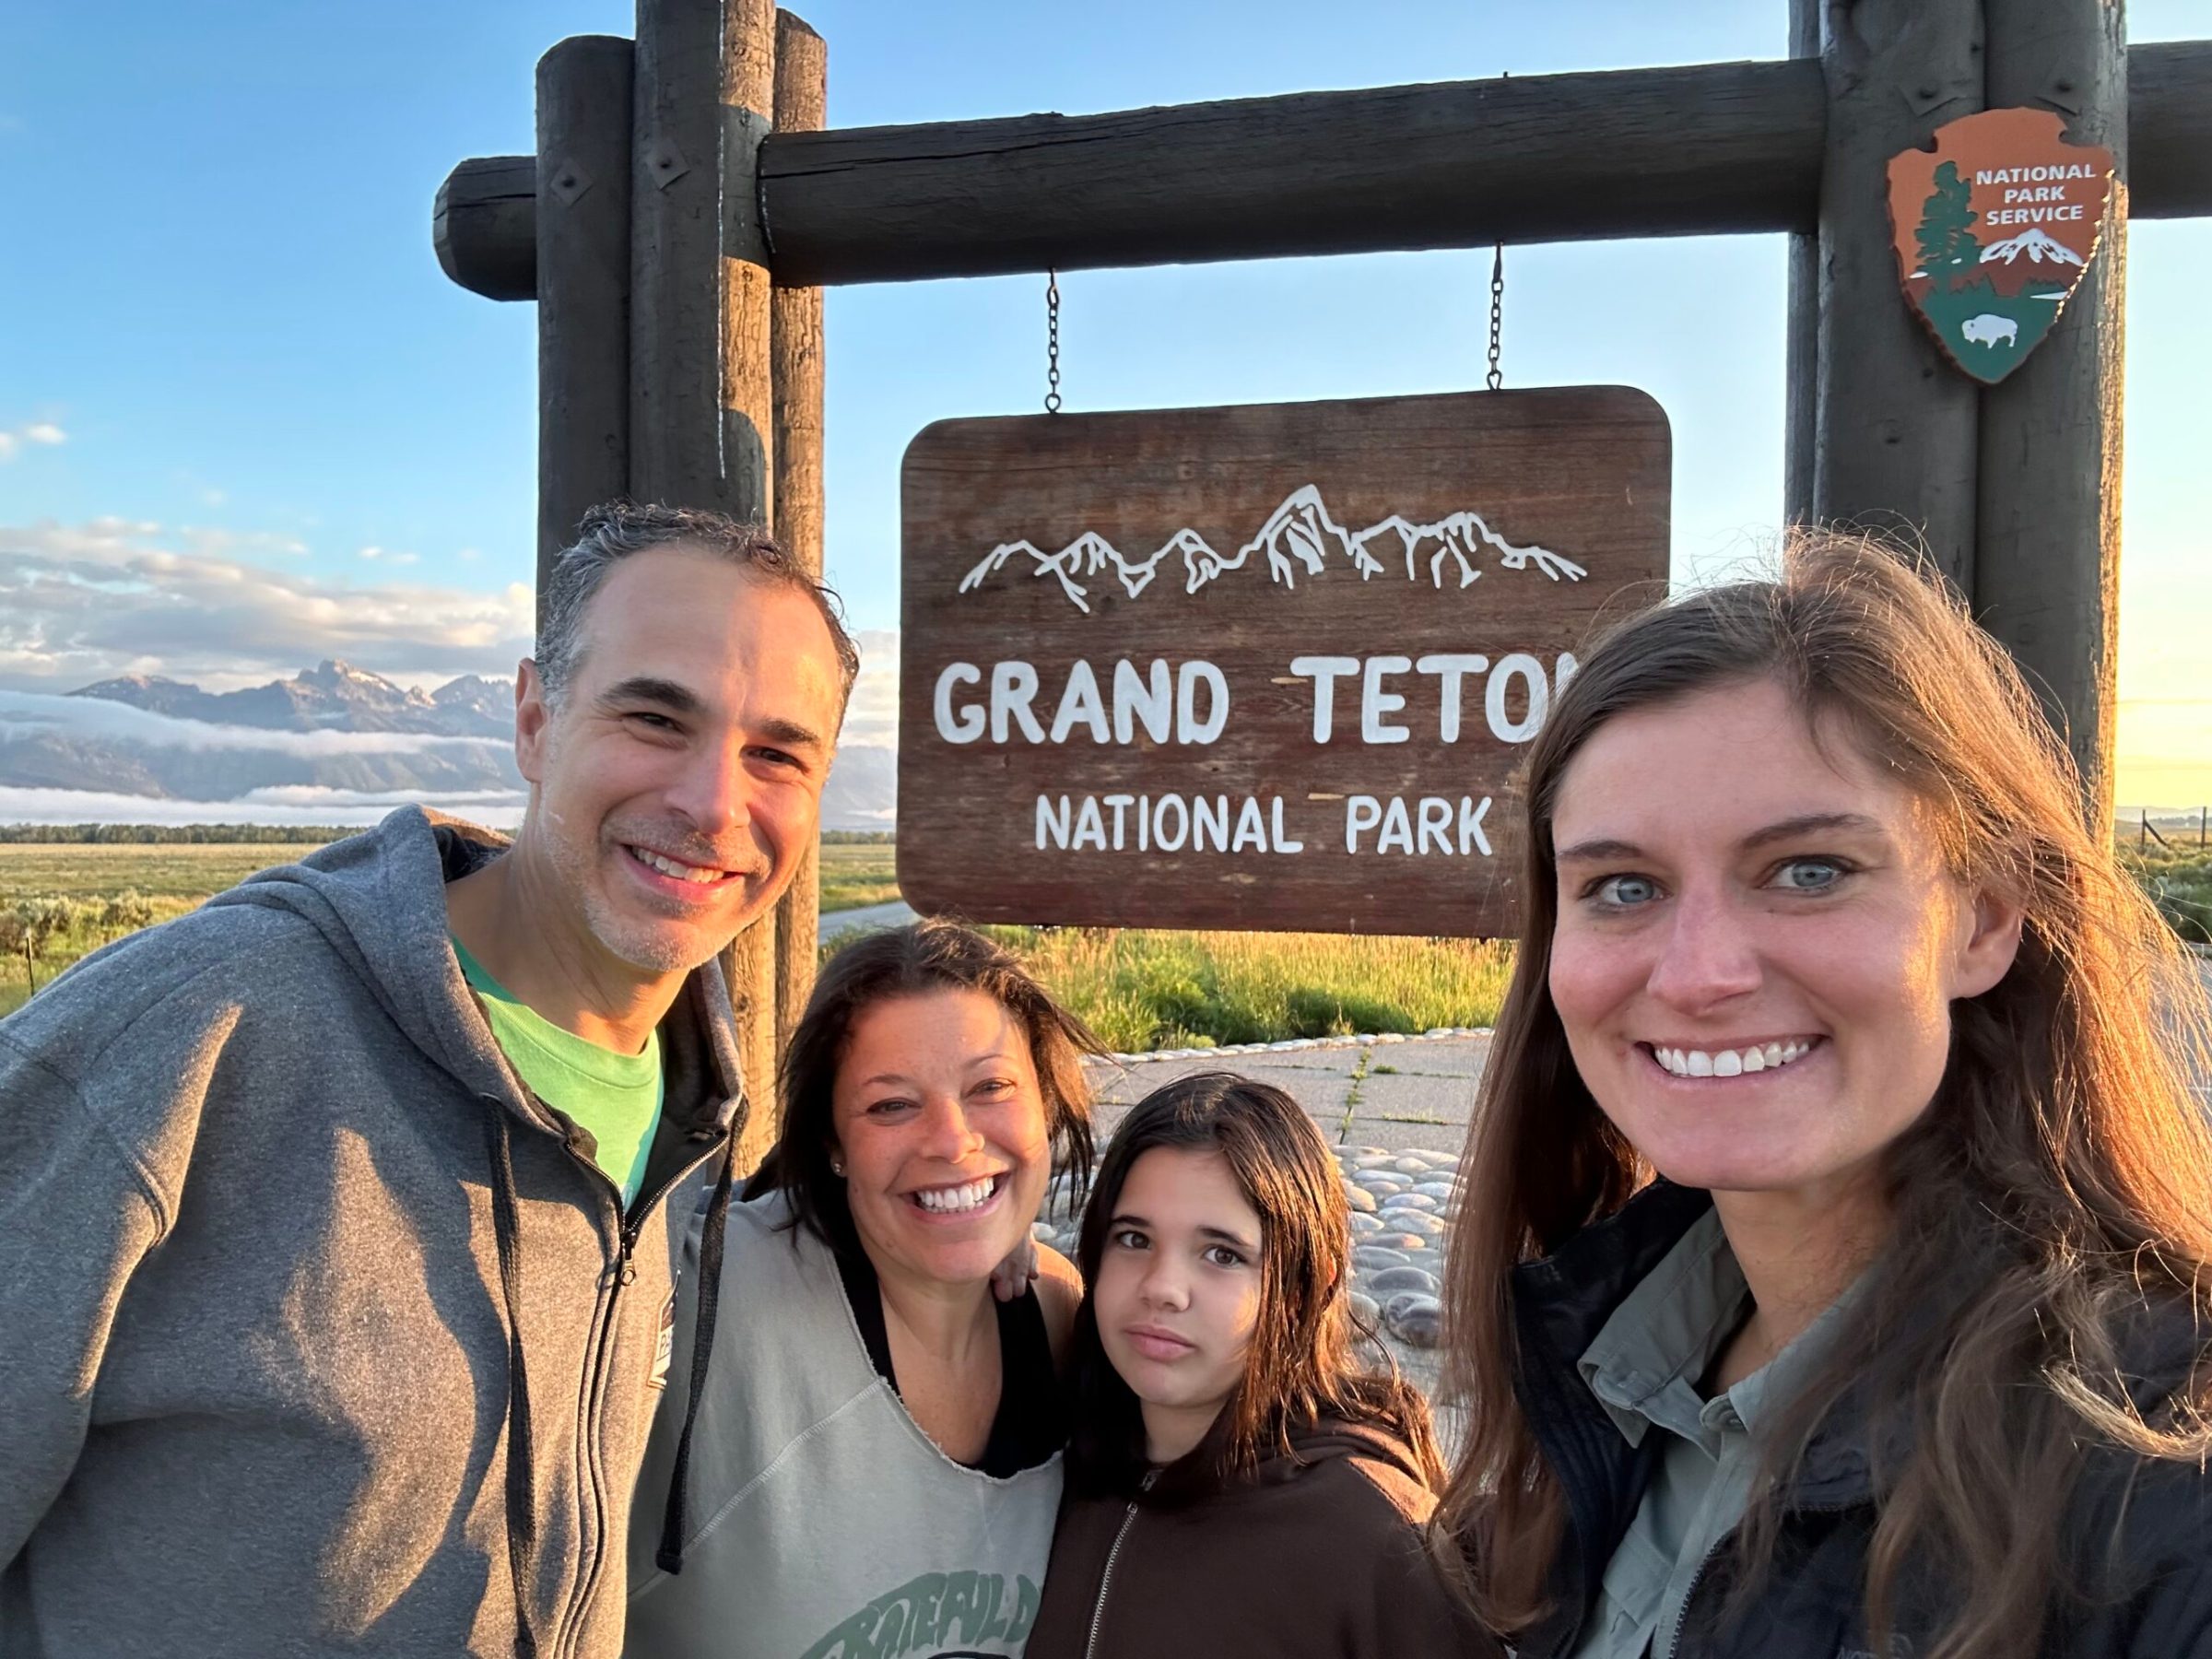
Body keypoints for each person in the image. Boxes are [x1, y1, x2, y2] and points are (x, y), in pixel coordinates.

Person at [0, 502, 857, 1657]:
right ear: (535, 718)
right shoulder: (191, 1035)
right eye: (655, 718)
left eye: (777, 755)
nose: (713, 802)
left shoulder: (689, 1095)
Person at [1436, 532, 2212, 1659]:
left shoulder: (2160, 1480)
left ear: (1984, 918)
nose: (1699, 974)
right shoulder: (1601, 1370)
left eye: (1809, 872)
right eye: (1622, 887)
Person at [626, 921, 1099, 1658]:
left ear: (1046, 1104)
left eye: (991, 1087)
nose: (951, 1140)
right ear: (832, 1145)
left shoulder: (1059, 1315)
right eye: (891, 1105)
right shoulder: (709, 1290)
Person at [1024, 1071, 1495, 1658]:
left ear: (1303, 1291)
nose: (1164, 1288)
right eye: (1134, 1239)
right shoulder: (1058, 1463)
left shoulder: (1372, 1539)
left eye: (1222, 1254)